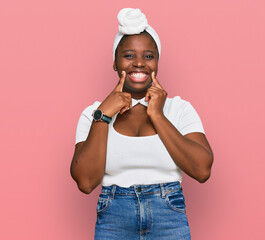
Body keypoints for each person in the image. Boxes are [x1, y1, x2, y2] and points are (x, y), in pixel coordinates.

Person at [70, 8, 213, 240]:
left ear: (157, 62)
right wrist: (104, 115)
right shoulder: (94, 114)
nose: (139, 63)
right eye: (128, 56)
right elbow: (86, 183)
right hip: (113, 219)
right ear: (115, 63)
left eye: (148, 56)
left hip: (169, 216)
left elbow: (202, 170)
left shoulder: (179, 109)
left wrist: (157, 115)